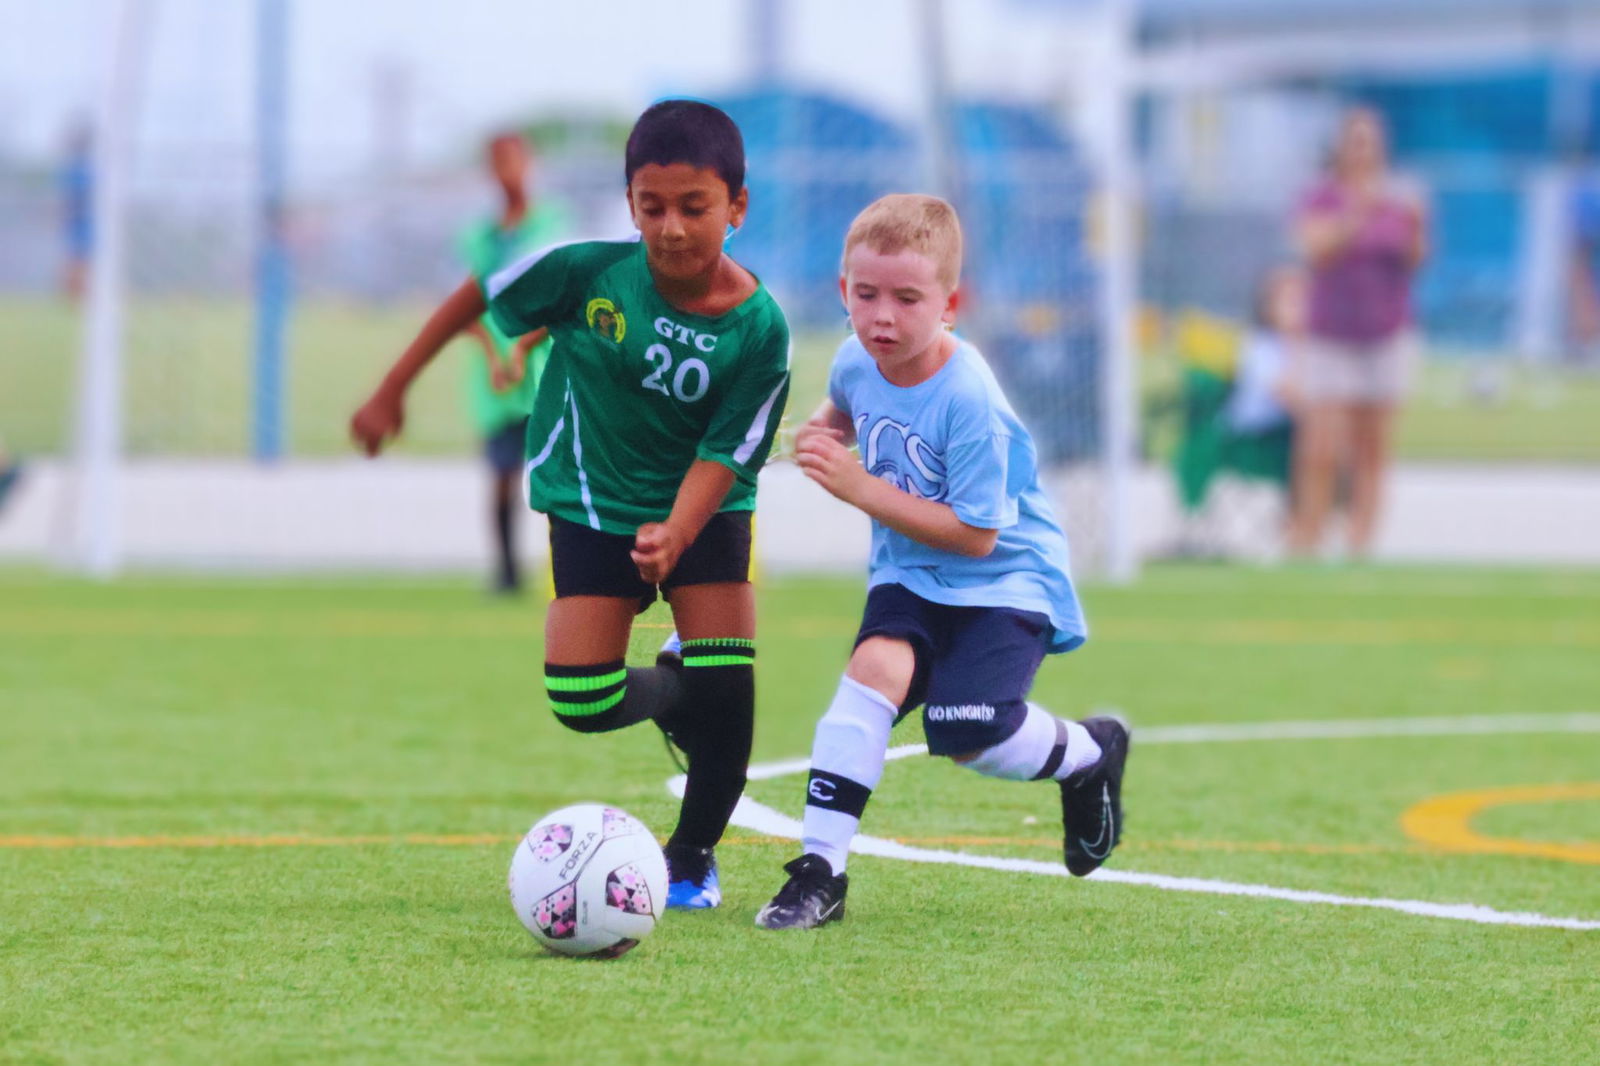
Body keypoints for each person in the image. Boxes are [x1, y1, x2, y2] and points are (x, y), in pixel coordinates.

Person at [350, 100, 791, 910]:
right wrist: (389, 391)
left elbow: (728, 451)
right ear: (629, 204)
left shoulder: (761, 330)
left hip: (710, 507)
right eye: (651, 207)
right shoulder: (584, 270)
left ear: (737, 206)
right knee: (580, 700)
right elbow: (474, 297)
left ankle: (692, 858)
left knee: (732, 686)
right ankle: (677, 691)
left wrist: (681, 528)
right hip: (591, 501)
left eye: (694, 208)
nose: (671, 228)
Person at [754, 194, 1127, 931]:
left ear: (951, 304)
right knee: (872, 676)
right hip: (909, 574)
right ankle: (819, 872)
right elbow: (842, 409)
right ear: (842, 292)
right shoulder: (857, 357)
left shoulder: (969, 397)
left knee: (967, 731)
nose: (882, 316)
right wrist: (814, 437)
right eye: (866, 295)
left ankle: (1089, 753)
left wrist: (859, 486)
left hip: (1002, 580)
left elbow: (977, 535)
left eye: (907, 298)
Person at [1288, 106, 1428, 559]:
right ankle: (1307, 537)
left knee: (1372, 447)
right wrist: (1356, 213)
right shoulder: (1322, 198)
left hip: (1384, 332)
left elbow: (1415, 260)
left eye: (1371, 140)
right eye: (1356, 140)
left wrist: (1417, 223)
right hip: (1332, 333)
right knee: (1321, 447)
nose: (1364, 150)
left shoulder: (1401, 199)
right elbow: (1314, 250)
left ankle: (1359, 544)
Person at [455, 132, 569, 594]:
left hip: (544, 370)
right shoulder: (481, 237)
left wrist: (524, 347)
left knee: (561, 472)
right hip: (497, 378)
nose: (507, 172)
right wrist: (492, 354)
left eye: (514, 161)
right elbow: (464, 306)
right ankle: (506, 574)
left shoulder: (552, 226)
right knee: (502, 472)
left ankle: (571, 568)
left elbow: (564, 296)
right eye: (498, 163)